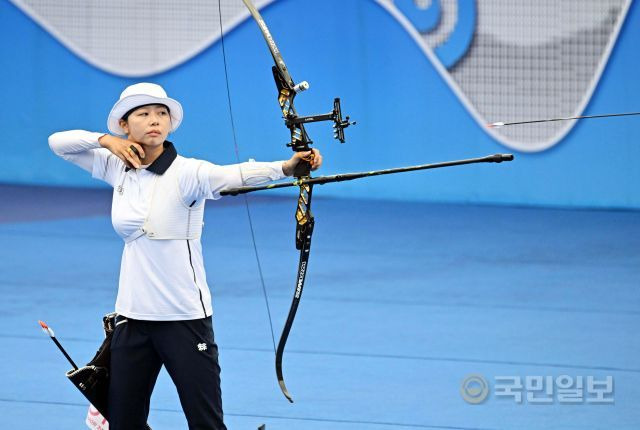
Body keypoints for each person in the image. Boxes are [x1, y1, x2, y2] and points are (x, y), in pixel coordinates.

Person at [48, 82, 322, 430]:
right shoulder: (115, 166)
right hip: (132, 318)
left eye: (161, 113)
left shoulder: (188, 172)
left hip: (184, 319)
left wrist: (286, 167)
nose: (154, 120)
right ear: (124, 124)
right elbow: (58, 143)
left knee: (205, 424)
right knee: (123, 424)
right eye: (143, 113)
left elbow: (230, 175)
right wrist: (105, 141)